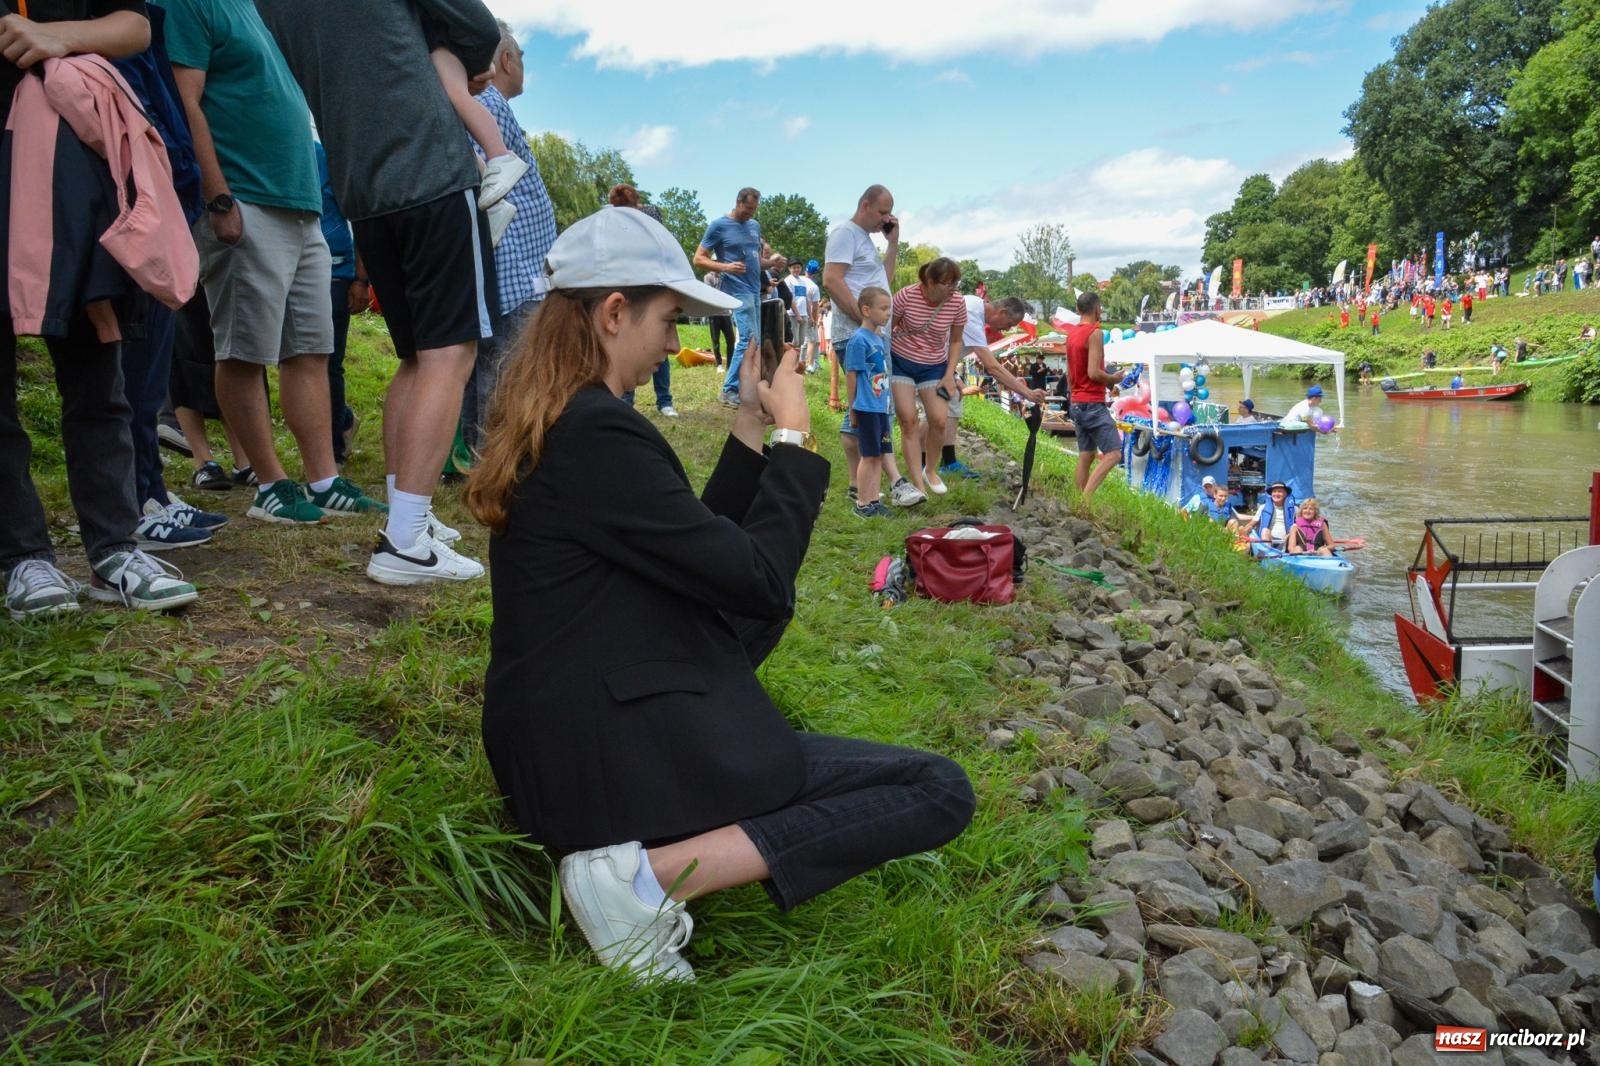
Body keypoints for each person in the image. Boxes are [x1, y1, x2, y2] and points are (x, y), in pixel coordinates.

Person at [464, 206, 975, 983]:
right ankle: (641, 878)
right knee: (938, 789)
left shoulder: (569, 419)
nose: (675, 345)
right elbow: (757, 578)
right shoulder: (597, 432)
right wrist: (794, 439)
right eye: (669, 320)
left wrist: (747, 421)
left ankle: (650, 858)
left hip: (562, 746)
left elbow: (694, 551)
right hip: (599, 765)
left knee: (743, 629)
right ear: (614, 313)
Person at [255, 0, 502, 585]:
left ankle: (407, 511)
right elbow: (478, 27)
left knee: (416, 358)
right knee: (450, 354)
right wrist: (460, 61)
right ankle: (406, 541)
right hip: (429, 165)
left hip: (361, 186)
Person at [1, 0, 202, 616]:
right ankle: (22, 558)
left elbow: (134, 26)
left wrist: (51, 34)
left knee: (98, 375)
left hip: (75, 172)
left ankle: (114, 550)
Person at [166, 0, 384, 527]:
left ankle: (324, 480)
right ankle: (268, 484)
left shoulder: (259, 14)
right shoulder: (193, 4)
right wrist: (218, 197)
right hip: (245, 201)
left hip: (302, 208)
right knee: (243, 351)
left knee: (310, 350)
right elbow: (183, 100)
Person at [461, 22, 560, 453]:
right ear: (505, 59)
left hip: (515, 269)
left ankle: (477, 455)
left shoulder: (488, 106)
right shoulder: (487, 105)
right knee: (507, 368)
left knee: (494, 366)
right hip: (514, 273)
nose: (521, 65)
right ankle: (493, 460)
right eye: (520, 56)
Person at [821, 185, 921, 508]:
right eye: (882, 212)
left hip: (873, 335)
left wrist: (893, 244)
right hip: (858, 335)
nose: (887, 219)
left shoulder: (865, 240)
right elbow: (831, 279)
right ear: (865, 205)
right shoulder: (845, 234)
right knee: (875, 407)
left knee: (867, 407)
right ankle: (893, 483)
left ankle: (860, 485)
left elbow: (883, 285)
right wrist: (863, 320)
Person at [425, 19, 526, 232]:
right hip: (434, 52)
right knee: (458, 139)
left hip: (440, 47)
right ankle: (496, 206)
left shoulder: (439, 34)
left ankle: (499, 155)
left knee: (457, 94)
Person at [693, 188, 783, 408]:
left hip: (755, 290)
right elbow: (698, 259)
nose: (750, 213)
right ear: (738, 202)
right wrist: (725, 267)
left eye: (754, 210)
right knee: (747, 340)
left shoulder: (754, 226)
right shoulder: (718, 225)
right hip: (737, 290)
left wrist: (772, 263)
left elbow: (757, 262)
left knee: (756, 341)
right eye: (748, 208)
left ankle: (747, 387)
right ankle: (729, 389)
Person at [938, 294, 1041, 479]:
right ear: (1002, 312)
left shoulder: (975, 305)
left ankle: (948, 461)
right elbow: (992, 367)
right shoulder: (972, 315)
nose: (1007, 329)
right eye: (1009, 324)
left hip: (943, 364)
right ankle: (922, 465)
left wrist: (954, 377)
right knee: (933, 416)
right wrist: (1027, 393)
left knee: (954, 403)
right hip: (928, 361)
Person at [889, 257, 967, 498]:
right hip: (901, 360)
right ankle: (918, 485)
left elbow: (956, 340)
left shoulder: (957, 302)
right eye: (947, 284)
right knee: (909, 420)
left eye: (955, 284)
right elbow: (887, 328)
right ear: (930, 282)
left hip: (934, 365)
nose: (952, 289)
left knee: (939, 420)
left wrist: (950, 374)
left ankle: (930, 470)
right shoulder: (906, 295)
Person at [1062, 291, 1122, 504]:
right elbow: (1094, 373)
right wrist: (1113, 379)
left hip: (1076, 402)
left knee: (1086, 455)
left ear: (1078, 309)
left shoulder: (1071, 335)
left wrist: (1075, 396)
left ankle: (1076, 501)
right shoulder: (1094, 333)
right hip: (1092, 403)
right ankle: (1085, 502)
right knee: (1114, 454)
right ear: (1097, 309)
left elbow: (1069, 374)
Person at [844, 287, 893, 517]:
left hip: (881, 407)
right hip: (866, 407)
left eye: (889, 308)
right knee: (868, 455)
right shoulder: (858, 340)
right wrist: (852, 408)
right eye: (883, 308)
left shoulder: (878, 338)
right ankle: (862, 503)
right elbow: (851, 375)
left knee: (879, 454)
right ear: (866, 310)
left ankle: (874, 499)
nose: (888, 313)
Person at [784, 260, 821, 372]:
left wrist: (810, 316)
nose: (796, 269)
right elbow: (790, 299)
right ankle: (787, 365)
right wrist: (797, 315)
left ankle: (796, 366)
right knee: (794, 341)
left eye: (798, 267)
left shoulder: (803, 281)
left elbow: (806, 300)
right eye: (794, 267)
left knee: (800, 342)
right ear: (789, 269)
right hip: (793, 314)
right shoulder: (788, 281)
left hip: (804, 314)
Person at [1245, 481, 1295, 549]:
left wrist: (1290, 535)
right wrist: (1245, 531)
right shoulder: (1263, 507)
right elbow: (1251, 524)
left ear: (1285, 494)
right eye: (1274, 492)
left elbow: (1300, 526)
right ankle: (1268, 551)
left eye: (1280, 491)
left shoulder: (1294, 509)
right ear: (1271, 494)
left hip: (1287, 540)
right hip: (1269, 539)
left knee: (1293, 530)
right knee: (1265, 530)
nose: (1276, 494)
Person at [704, 271, 735, 368]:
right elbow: (710, 293)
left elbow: (729, 292)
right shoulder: (708, 277)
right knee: (715, 340)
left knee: (731, 339)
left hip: (725, 313)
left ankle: (730, 364)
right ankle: (719, 364)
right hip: (714, 313)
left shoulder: (725, 277)